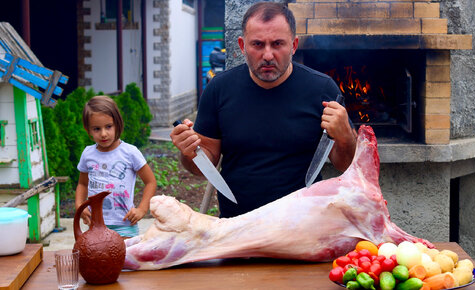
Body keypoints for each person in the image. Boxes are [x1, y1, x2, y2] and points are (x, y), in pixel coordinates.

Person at [171, 2, 356, 218]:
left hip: (305, 224)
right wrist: (189, 152)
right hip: (238, 224)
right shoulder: (219, 89)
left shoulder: (322, 89)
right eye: (258, 44)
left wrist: (346, 137)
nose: (268, 55)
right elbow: (201, 166)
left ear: (294, 45)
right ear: (242, 46)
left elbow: (345, 164)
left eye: (278, 44)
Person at [75, 95, 156, 238]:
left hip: (124, 225)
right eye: (96, 129)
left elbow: (150, 182)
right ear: (88, 130)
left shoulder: (130, 152)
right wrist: (79, 207)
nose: (103, 134)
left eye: (108, 126)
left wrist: (142, 209)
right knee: (97, 259)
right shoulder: (88, 154)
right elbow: (82, 184)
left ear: (117, 124)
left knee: (123, 260)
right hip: (95, 225)